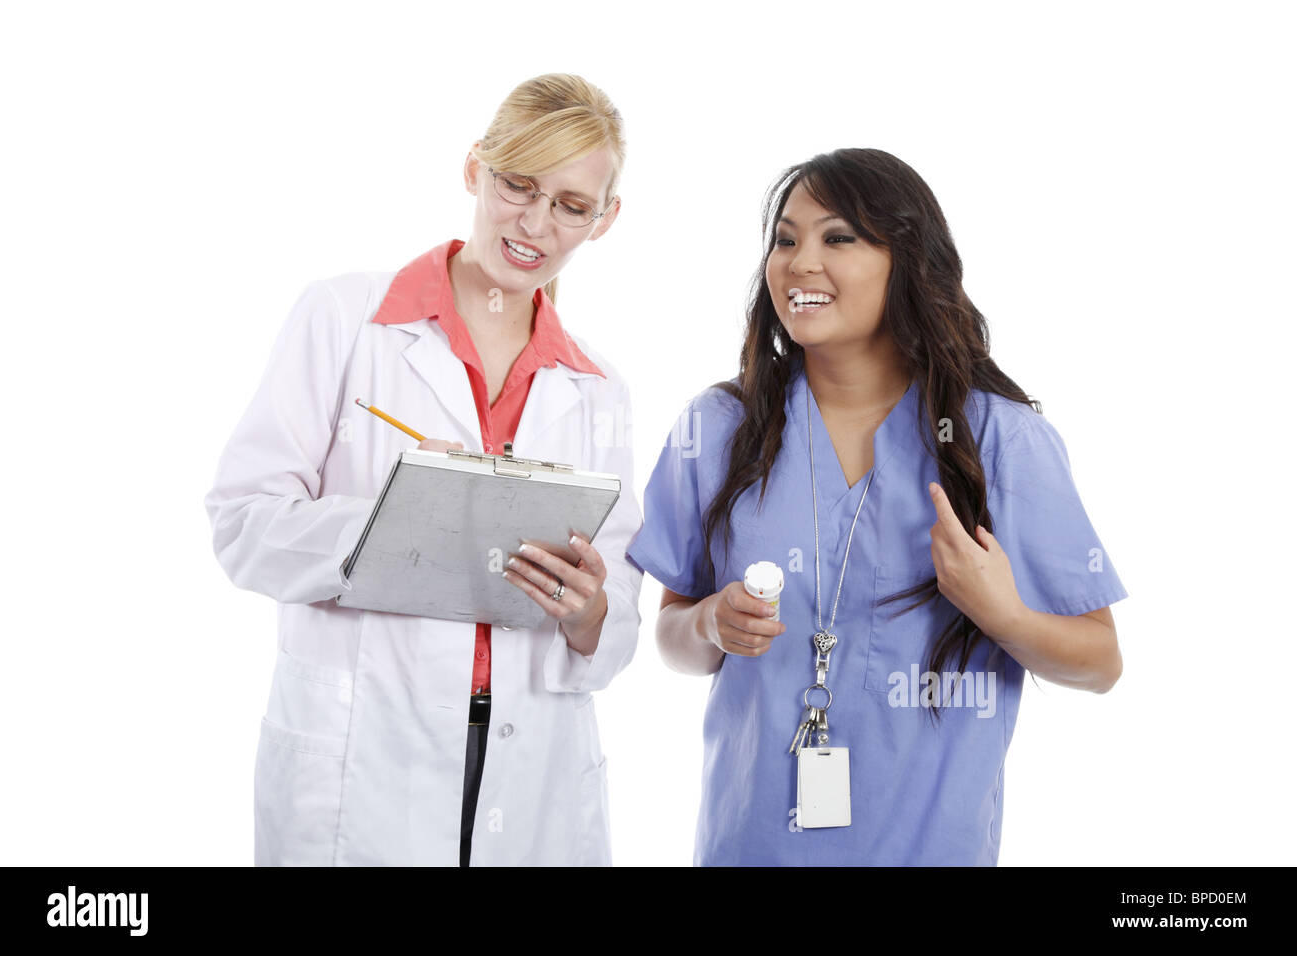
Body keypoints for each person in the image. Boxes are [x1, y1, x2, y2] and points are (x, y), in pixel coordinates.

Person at [626, 148, 1127, 866]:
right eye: (786, 238)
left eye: (837, 238)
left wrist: (1004, 615)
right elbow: (674, 637)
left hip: (929, 846)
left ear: (908, 261)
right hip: (750, 843)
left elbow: (1101, 663)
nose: (799, 263)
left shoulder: (997, 439)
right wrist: (710, 621)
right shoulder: (718, 430)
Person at [204, 74, 642, 866]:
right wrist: (399, 518)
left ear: (604, 220)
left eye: (572, 206)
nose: (536, 224)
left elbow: (619, 618)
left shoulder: (597, 390)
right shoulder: (344, 319)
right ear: (476, 168)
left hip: (528, 765)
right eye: (519, 185)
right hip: (364, 760)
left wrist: (589, 616)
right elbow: (241, 523)